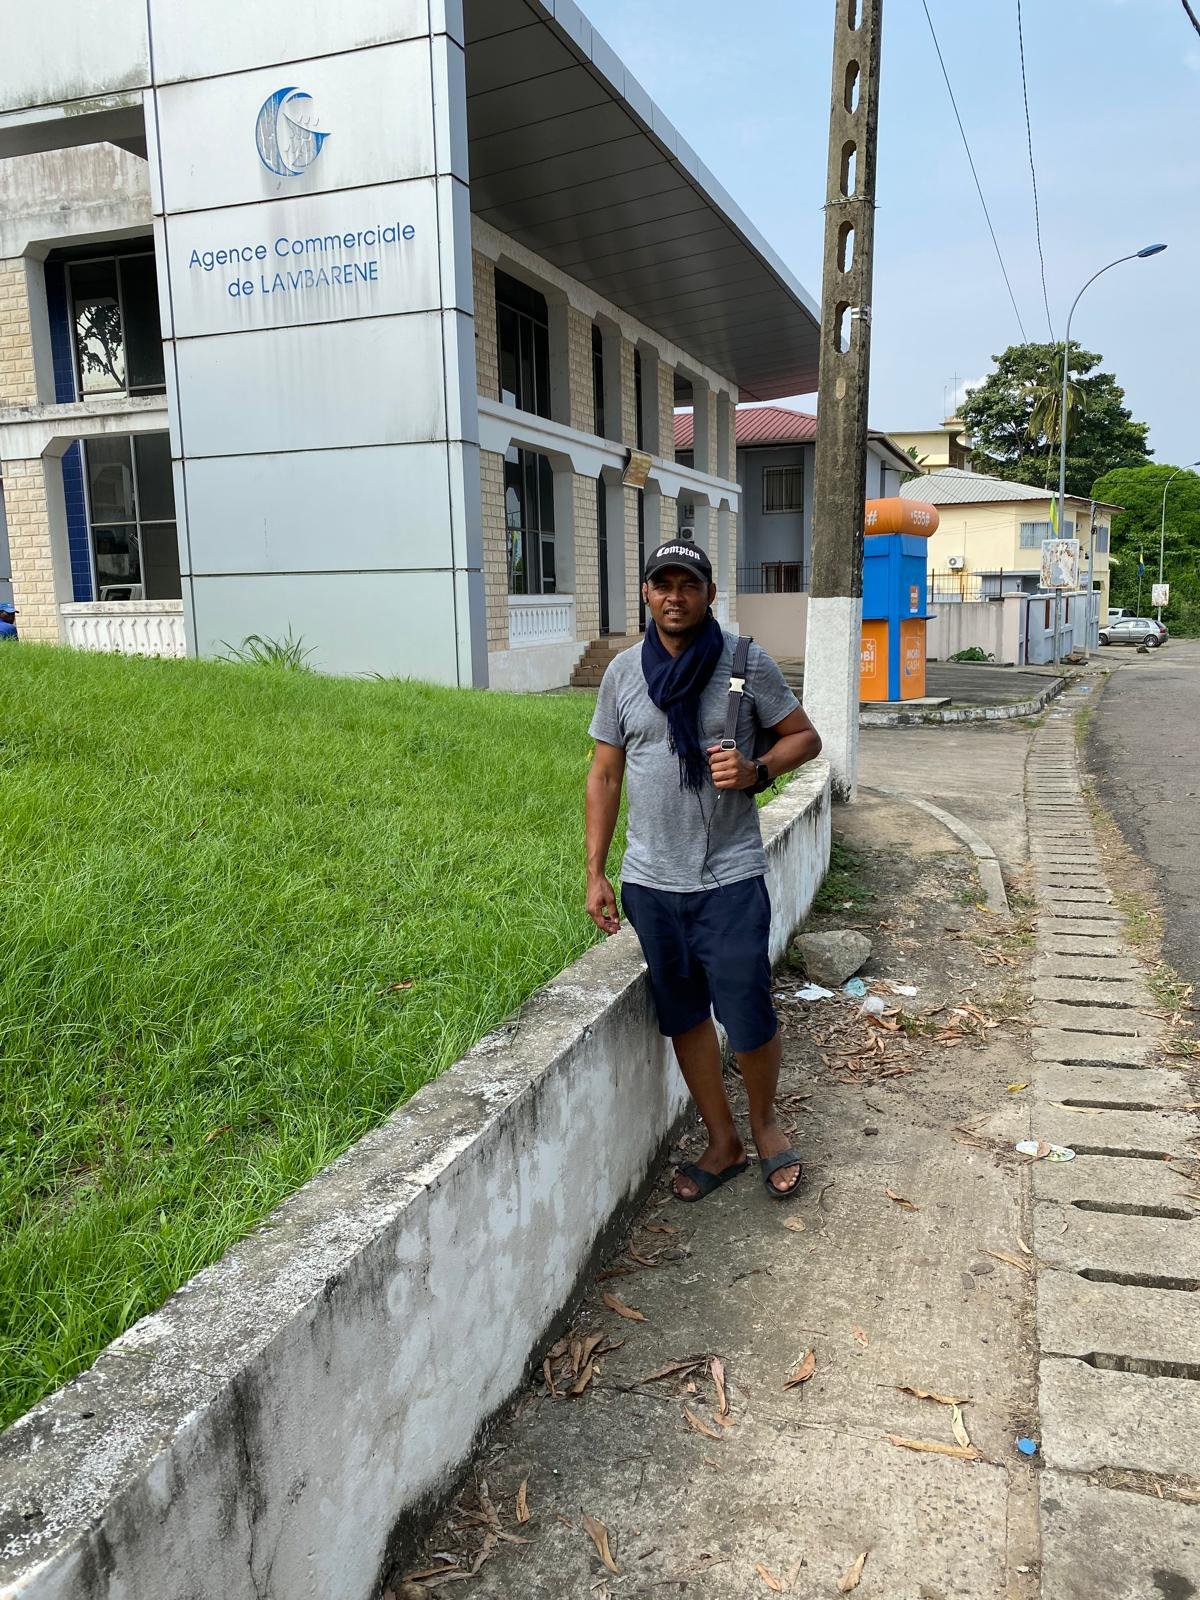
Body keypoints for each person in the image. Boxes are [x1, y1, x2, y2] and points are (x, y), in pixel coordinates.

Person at [585, 538, 822, 1203]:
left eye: (688, 585)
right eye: (662, 584)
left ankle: (765, 1126)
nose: (675, 597)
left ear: (710, 594)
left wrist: (757, 769)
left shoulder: (745, 663)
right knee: (684, 1015)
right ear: (646, 594)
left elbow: (804, 737)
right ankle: (723, 1142)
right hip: (651, 884)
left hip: (729, 878)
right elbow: (605, 775)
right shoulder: (623, 673)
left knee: (747, 1014)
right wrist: (596, 872)